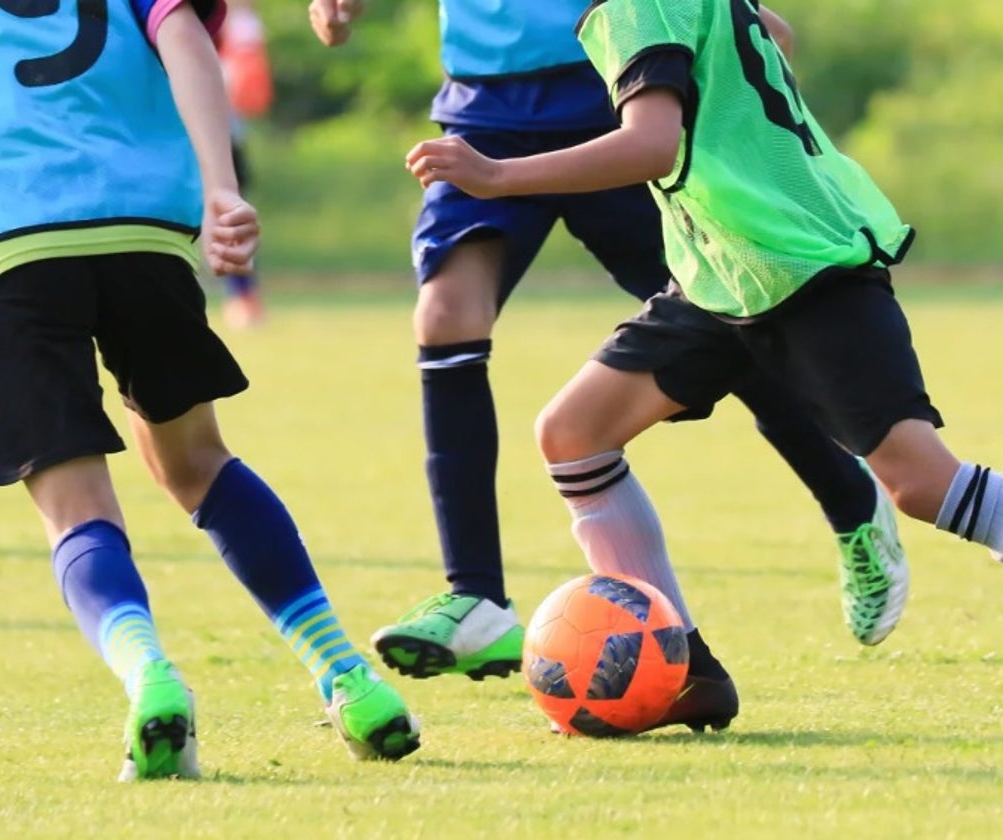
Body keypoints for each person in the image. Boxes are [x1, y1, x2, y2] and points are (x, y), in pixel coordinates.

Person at [0, 0, 419, 779]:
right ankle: (348, 674)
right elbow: (187, 43)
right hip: (146, 238)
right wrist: (220, 187)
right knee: (200, 464)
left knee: (77, 508)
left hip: (11, 258)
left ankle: (150, 675)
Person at [309, 0, 907, 731]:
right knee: (445, 314)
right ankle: (478, 596)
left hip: (618, 88)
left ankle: (852, 503)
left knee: (733, 316)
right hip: (485, 101)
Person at [403, 0, 1003, 682]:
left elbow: (651, 144)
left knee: (922, 483)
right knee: (573, 434)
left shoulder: (634, 6)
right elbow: (776, 35)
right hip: (718, 273)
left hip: (800, 264)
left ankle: (852, 506)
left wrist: (498, 175)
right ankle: (679, 670)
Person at [218, 0, 274, 329]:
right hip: (167, 129)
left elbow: (251, 93)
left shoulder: (241, 20)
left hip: (223, 134)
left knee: (230, 215)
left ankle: (244, 298)